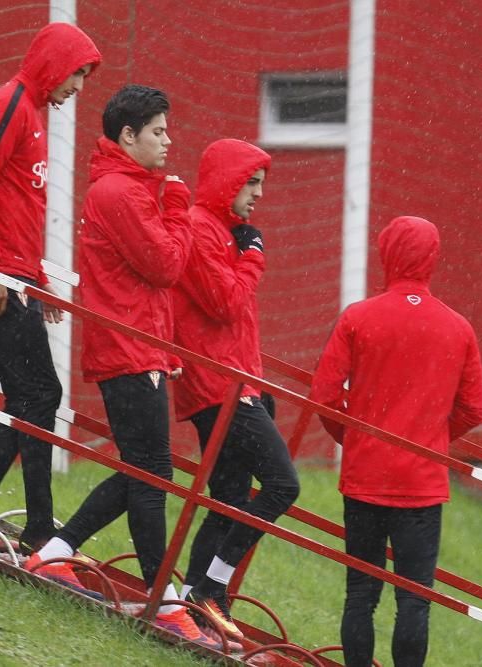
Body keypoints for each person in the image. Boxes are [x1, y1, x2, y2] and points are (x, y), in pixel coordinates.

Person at [24, 84, 214, 645]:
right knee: (152, 472)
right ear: (127, 136)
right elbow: (167, 266)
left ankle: (57, 552)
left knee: (144, 470)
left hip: (137, 348)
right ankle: (163, 601)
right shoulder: (119, 192)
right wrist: (180, 207)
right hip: (128, 350)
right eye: (158, 131)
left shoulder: (128, 187)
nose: (168, 140)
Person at [0, 23, 101, 554]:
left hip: (12, 275)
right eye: (78, 72)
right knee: (40, 394)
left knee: (30, 395)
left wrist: (33, 280)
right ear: (56, 64)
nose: (79, 86)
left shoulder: (32, 112)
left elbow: (15, 206)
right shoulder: (9, 104)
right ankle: (34, 527)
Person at [309, 216, 482, 667]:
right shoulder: (458, 328)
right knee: (414, 599)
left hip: (365, 476)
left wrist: (354, 439)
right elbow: (473, 408)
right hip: (421, 485)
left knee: (361, 594)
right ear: (433, 257)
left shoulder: (359, 317)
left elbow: (325, 396)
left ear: (387, 254)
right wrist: (432, 438)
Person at [171, 139, 300, 643]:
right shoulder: (202, 229)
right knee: (283, 486)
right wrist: (252, 258)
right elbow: (225, 303)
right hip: (218, 388)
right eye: (252, 182)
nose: (259, 194)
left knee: (227, 497)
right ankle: (210, 588)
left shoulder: (225, 232)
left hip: (238, 384)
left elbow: (235, 321)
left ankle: (193, 600)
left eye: (261, 183)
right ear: (228, 181)